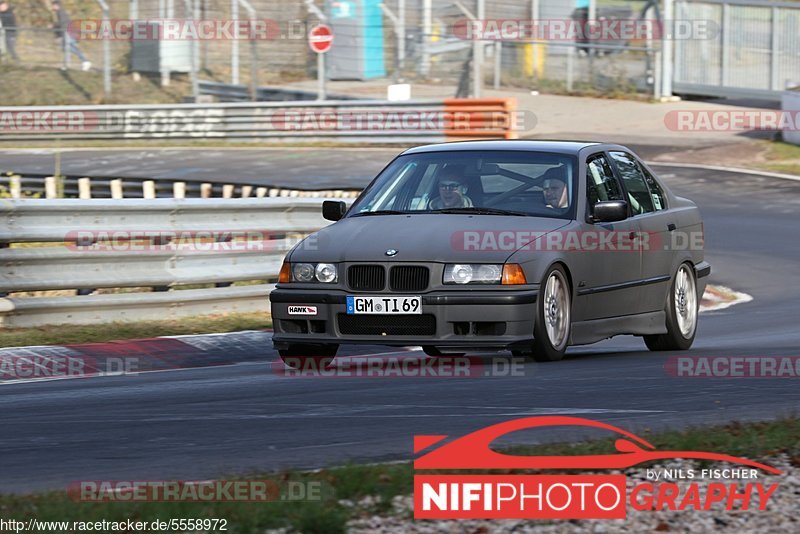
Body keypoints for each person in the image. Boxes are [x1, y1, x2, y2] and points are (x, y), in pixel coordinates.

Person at [51, 0, 91, 71]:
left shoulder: (61, 13)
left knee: (70, 47)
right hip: (68, 32)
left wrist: (55, 26)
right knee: (67, 47)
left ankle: (85, 61)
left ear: (57, 5)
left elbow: (63, 23)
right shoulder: (59, 12)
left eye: (53, 5)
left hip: (69, 32)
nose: (52, 7)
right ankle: (67, 65)